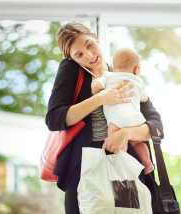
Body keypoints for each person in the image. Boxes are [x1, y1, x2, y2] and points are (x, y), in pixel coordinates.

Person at [45, 22, 164, 214]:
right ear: (72, 59)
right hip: (85, 169)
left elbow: (157, 127)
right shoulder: (71, 70)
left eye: (89, 45)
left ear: (95, 37)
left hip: (122, 166)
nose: (89, 55)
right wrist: (100, 98)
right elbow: (53, 119)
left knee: (126, 210)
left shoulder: (121, 72)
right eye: (79, 55)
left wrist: (125, 134)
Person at [91, 47, 154, 175]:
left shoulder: (108, 76)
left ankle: (122, 167)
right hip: (136, 118)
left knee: (118, 142)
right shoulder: (138, 81)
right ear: (137, 69)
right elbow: (144, 98)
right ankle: (146, 162)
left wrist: (102, 93)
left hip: (117, 118)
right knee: (138, 143)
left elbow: (95, 87)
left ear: (114, 69)